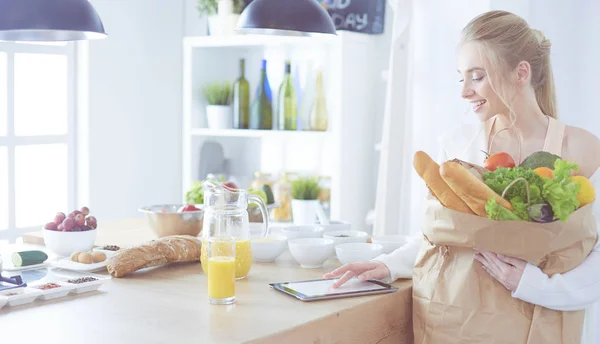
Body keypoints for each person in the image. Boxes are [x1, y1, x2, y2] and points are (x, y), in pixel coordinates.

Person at [324, 10, 600, 344]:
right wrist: (387, 265)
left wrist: (534, 286)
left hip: (541, 323)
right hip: (461, 325)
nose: (464, 92)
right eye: (461, 78)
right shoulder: (459, 145)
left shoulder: (582, 148)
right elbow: (442, 236)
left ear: (521, 73)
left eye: (477, 76)